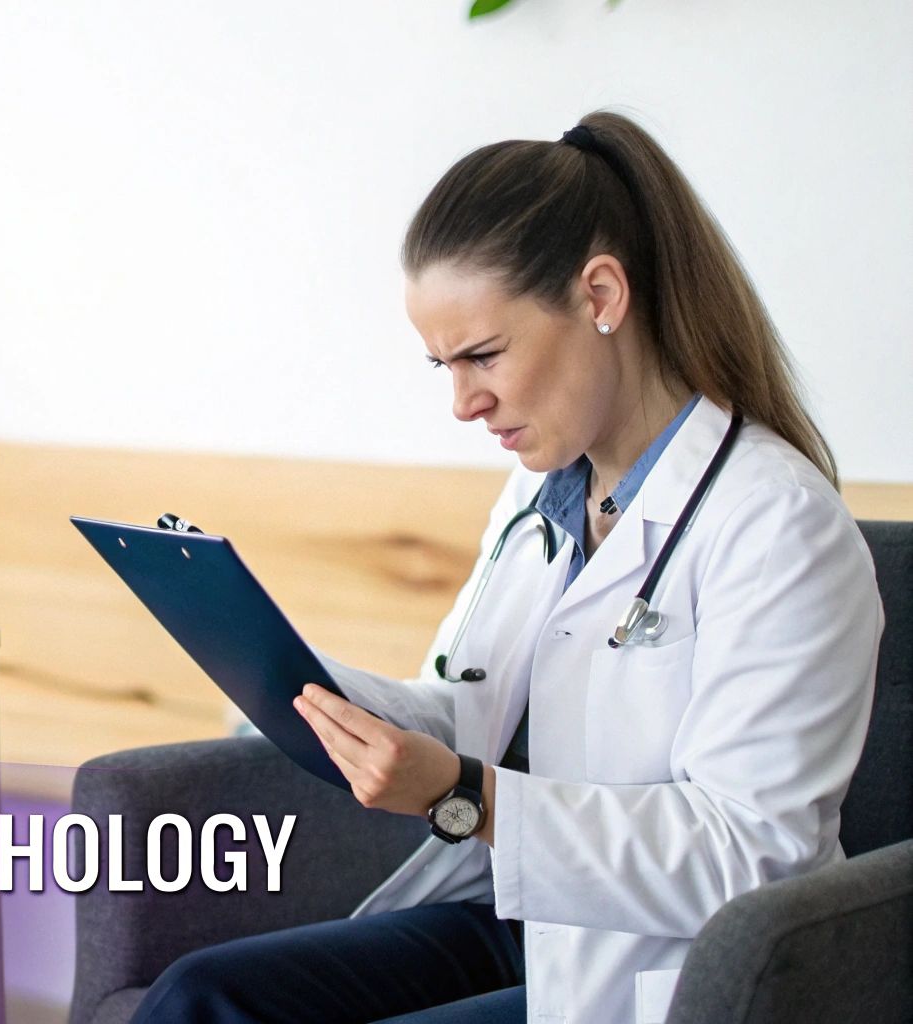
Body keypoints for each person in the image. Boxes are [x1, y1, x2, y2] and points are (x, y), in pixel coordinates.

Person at [131, 112, 883, 1024]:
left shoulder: (777, 526)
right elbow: (472, 710)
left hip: (666, 970)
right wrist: (310, 693)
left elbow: (751, 856)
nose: (462, 402)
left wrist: (462, 797)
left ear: (601, 294)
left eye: (484, 355)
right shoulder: (538, 499)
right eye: (443, 365)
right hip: (533, 918)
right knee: (201, 996)